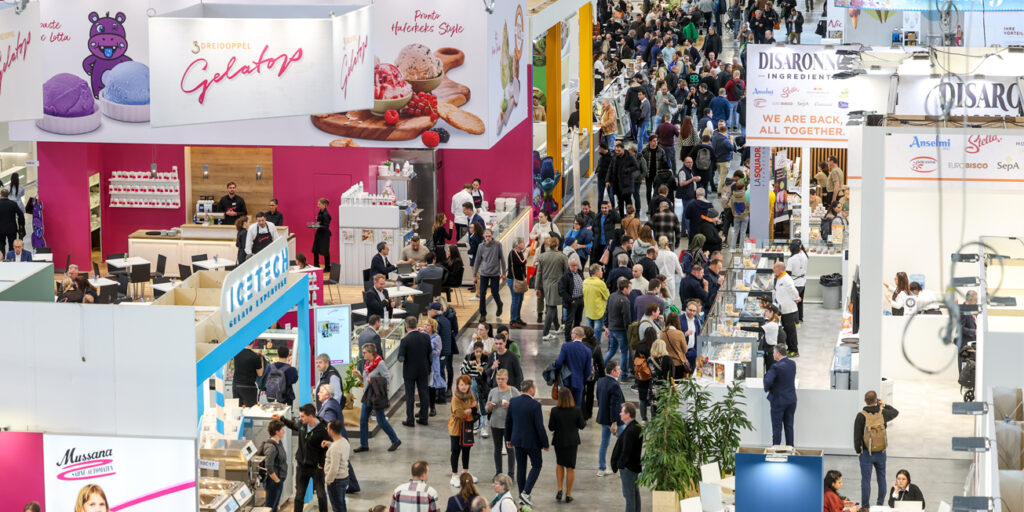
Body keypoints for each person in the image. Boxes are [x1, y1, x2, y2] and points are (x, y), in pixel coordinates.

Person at [274, 404, 331, 512]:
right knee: (299, 496)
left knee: (321, 495)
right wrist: (281, 419)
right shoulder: (302, 424)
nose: (300, 418)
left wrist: (321, 465)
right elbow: (293, 425)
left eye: (302, 416)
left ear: (311, 416)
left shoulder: (323, 430)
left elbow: (325, 449)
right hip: (302, 466)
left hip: (316, 467)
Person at [504, 379, 549, 506]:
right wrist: (545, 443)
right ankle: (525, 493)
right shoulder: (535, 405)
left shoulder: (513, 402)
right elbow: (539, 427)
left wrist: (508, 439)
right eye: (534, 388)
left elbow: (508, 422)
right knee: (537, 465)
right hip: (532, 443)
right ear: (531, 390)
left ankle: (521, 495)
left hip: (517, 441)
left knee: (521, 468)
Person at [855, 390, 900, 508]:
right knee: (881, 478)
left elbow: (857, 435)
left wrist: (858, 451)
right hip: (881, 452)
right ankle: (879, 505)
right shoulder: (883, 414)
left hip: (866, 453)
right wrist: (884, 405)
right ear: (876, 400)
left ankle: (865, 507)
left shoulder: (861, 416)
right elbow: (895, 412)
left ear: (865, 400)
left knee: (866, 480)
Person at [353, 343, 402, 452]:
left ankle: (395, 440)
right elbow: (366, 381)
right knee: (363, 420)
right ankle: (364, 445)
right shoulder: (367, 364)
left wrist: (374, 381)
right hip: (367, 396)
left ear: (371, 353)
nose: (362, 354)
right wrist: (359, 376)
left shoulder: (380, 363)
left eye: (365, 352)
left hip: (376, 396)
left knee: (381, 420)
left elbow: (387, 379)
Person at [548, 385, 586, 503]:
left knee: (559, 464)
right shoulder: (576, 410)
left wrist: (551, 416)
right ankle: (568, 494)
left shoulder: (554, 411)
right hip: (572, 442)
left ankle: (559, 489)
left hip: (559, 441)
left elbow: (551, 428)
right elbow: (582, 425)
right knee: (570, 467)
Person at [486, 369, 521, 479]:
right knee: (497, 448)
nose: (500, 381)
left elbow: (520, 406)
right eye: (498, 379)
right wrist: (490, 406)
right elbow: (487, 408)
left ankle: (511, 474)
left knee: (510, 448)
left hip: (509, 425)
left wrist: (510, 405)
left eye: (502, 379)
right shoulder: (493, 391)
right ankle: (498, 472)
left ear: (507, 379)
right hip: (495, 423)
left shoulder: (513, 391)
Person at [399, 316, 433, 427]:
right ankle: (424, 418)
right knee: (424, 393)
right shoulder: (426, 337)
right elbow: (430, 354)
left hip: (409, 372)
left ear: (406, 326)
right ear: (416, 324)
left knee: (410, 395)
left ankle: (410, 419)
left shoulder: (405, 340)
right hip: (423, 370)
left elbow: (400, 358)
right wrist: (428, 367)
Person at [611, 402, 643, 512]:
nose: (620, 414)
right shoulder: (635, 426)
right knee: (634, 493)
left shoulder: (630, 430)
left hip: (628, 468)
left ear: (628, 414)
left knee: (629, 496)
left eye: (622, 412)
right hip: (634, 466)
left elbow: (626, 451)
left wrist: (620, 465)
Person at [763, 344, 797, 446]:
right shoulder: (792, 363)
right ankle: (790, 450)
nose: (773, 354)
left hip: (778, 401)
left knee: (777, 428)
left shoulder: (776, 367)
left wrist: (768, 389)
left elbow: (767, 381)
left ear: (778, 354)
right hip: (791, 400)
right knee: (789, 426)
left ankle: (776, 451)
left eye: (773, 352)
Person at [536, 237, 569, 340]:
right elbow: (566, 273)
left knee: (551, 304)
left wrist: (537, 287)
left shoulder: (542, 256)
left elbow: (539, 273)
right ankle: (545, 333)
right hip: (557, 285)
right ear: (558, 245)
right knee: (551, 307)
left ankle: (558, 327)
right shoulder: (562, 257)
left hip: (545, 285)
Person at [448, 375, 478, 486]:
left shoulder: (470, 395)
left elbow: (477, 407)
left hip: (467, 427)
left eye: (466, 384)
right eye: (461, 384)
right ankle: (454, 475)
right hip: (456, 428)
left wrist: (470, 409)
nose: (464, 387)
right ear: (457, 385)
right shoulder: (455, 397)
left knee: (466, 449)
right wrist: (471, 408)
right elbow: (459, 413)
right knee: (455, 451)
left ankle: (466, 472)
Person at [555, 326, 594, 407]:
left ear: (575, 335)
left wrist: (559, 376)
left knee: (565, 405)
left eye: (572, 333)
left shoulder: (566, 346)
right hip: (579, 382)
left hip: (566, 382)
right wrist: (582, 380)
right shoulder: (587, 351)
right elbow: (588, 370)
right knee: (576, 406)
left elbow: (558, 363)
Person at [473, 229, 506, 320]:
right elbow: (477, 261)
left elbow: (502, 259)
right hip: (484, 273)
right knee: (482, 293)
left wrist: (504, 273)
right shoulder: (481, 246)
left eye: (489, 236)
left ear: (492, 236)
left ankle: (499, 304)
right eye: (486, 236)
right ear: (483, 236)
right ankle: (483, 314)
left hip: (495, 273)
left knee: (494, 292)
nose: (487, 238)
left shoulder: (497, 244)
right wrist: (474, 274)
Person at [606, 278, 635, 377]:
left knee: (612, 350)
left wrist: (607, 326)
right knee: (624, 352)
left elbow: (607, 312)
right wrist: (629, 331)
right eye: (630, 288)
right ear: (625, 288)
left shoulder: (612, 296)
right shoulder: (625, 301)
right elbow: (626, 318)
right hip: (621, 330)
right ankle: (624, 374)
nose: (631, 290)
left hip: (612, 327)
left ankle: (602, 366)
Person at [773, 261, 801, 357]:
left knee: (791, 331)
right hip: (783, 309)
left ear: (780, 269)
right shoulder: (780, 278)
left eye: (775, 268)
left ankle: (794, 350)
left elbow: (792, 289)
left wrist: (796, 298)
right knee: (787, 330)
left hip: (789, 309)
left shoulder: (786, 279)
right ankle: (790, 348)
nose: (773, 269)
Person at [323, 420, 352, 512]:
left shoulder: (335, 448)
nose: (327, 430)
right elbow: (339, 451)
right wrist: (329, 444)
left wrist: (328, 479)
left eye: (328, 428)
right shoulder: (344, 441)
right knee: (341, 503)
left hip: (336, 480)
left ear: (331, 431)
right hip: (344, 477)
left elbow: (334, 468)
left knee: (337, 507)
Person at [557, 259, 586, 342]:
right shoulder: (565, 276)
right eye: (573, 265)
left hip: (580, 299)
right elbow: (561, 291)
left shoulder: (580, 273)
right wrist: (570, 300)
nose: (575, 267)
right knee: (569, 321)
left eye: (576, 265)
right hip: (572, 301)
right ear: (569, 266)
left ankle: (577, 337)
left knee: (578, 320)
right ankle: (568, 338)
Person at [583, 264, 610, 346]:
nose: (602, 272)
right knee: (597, 333)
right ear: (597, 272)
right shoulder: (600, 283)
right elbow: (607, 297)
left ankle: (588, 346)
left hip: (588, 310)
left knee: (588, 332)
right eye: (601, 270)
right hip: (598, 311)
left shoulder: (585, 282)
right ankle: (595, 348)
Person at [646, 339, 674, 416]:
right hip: (664, 387)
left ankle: (654, 425)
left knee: (654, 409)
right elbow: (672, 375)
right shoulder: (668, 359)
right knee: (664, 409)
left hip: (653, 386)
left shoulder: (649, 360)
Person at [232, 341, 264, 407]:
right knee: (249, 410)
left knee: (237, 409)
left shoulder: (236, 353)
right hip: (248, 387)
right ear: (254, 342)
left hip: (236, 385)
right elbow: (260, 373)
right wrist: (261, 359)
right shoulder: (255, 357)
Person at [425, 318, 446, 417]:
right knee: (423, 387)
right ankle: (423, 407)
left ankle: (432, 407)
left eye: (427, 325)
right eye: (425, 325)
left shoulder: (437, 337)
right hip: (424, 364)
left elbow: (438, 351)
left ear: (432, 327)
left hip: (433, 365)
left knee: (431, 387)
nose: (425, 327)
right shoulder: (423, 336)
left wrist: (428, 350)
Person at [506, 238, 528, 327]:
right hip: (513, 280)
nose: (523, 244)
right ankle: (513, 320)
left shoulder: (519, 252)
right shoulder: (514, 252)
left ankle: (518, 318)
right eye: (522, 242)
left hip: (520, 279)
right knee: (515, 300)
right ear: (517, 244)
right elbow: (522, 262)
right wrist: (526, 254)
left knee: (520, 299)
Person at [661, 312, 690, 379]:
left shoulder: (662, 332)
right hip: (677, 363)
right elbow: (685, 350)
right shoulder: (679, 334)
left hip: (665, 363)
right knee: (677, 385)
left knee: (668, 384)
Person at [785, 240, 808, 322]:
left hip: (794, 283)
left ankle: (794, 320)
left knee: (792, 303)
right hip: (802, 281)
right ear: (800, 246)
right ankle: (800, 318)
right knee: (800, 301)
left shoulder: (792, 259)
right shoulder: (804, 255)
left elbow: (788, 273)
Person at [0, 188, 24, 255]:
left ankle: (1, 260)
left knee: (1, 245)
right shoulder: (13, 204)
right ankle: (11, 260)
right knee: (12, 245)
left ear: (0, 195)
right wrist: (21, 226)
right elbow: (21, 215)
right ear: (8, 195)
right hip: (12, 229)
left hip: (0, 230)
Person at [727, 176, 749, 251]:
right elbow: (749, 205)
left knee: (735, 232)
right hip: (745, 216)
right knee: (743, 232)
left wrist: (734, 212)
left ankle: (732, 248)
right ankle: (740, 248)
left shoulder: (733, 196)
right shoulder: (746, 195)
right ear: (743, 187)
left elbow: (730, 205)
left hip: (736, 216)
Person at [312, 198, 333, 271]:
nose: (318, 205)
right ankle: (316, 266)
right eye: (318, 204)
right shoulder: (320, 212)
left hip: (324, 235)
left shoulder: (326, 214)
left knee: (325, 251)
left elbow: (326, 226)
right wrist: (316, 225)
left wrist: (318, 227)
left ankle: (327, 267)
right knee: (315, 250)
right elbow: (319, 222)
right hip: (319, 234)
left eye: (319, 204)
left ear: (324, 205)